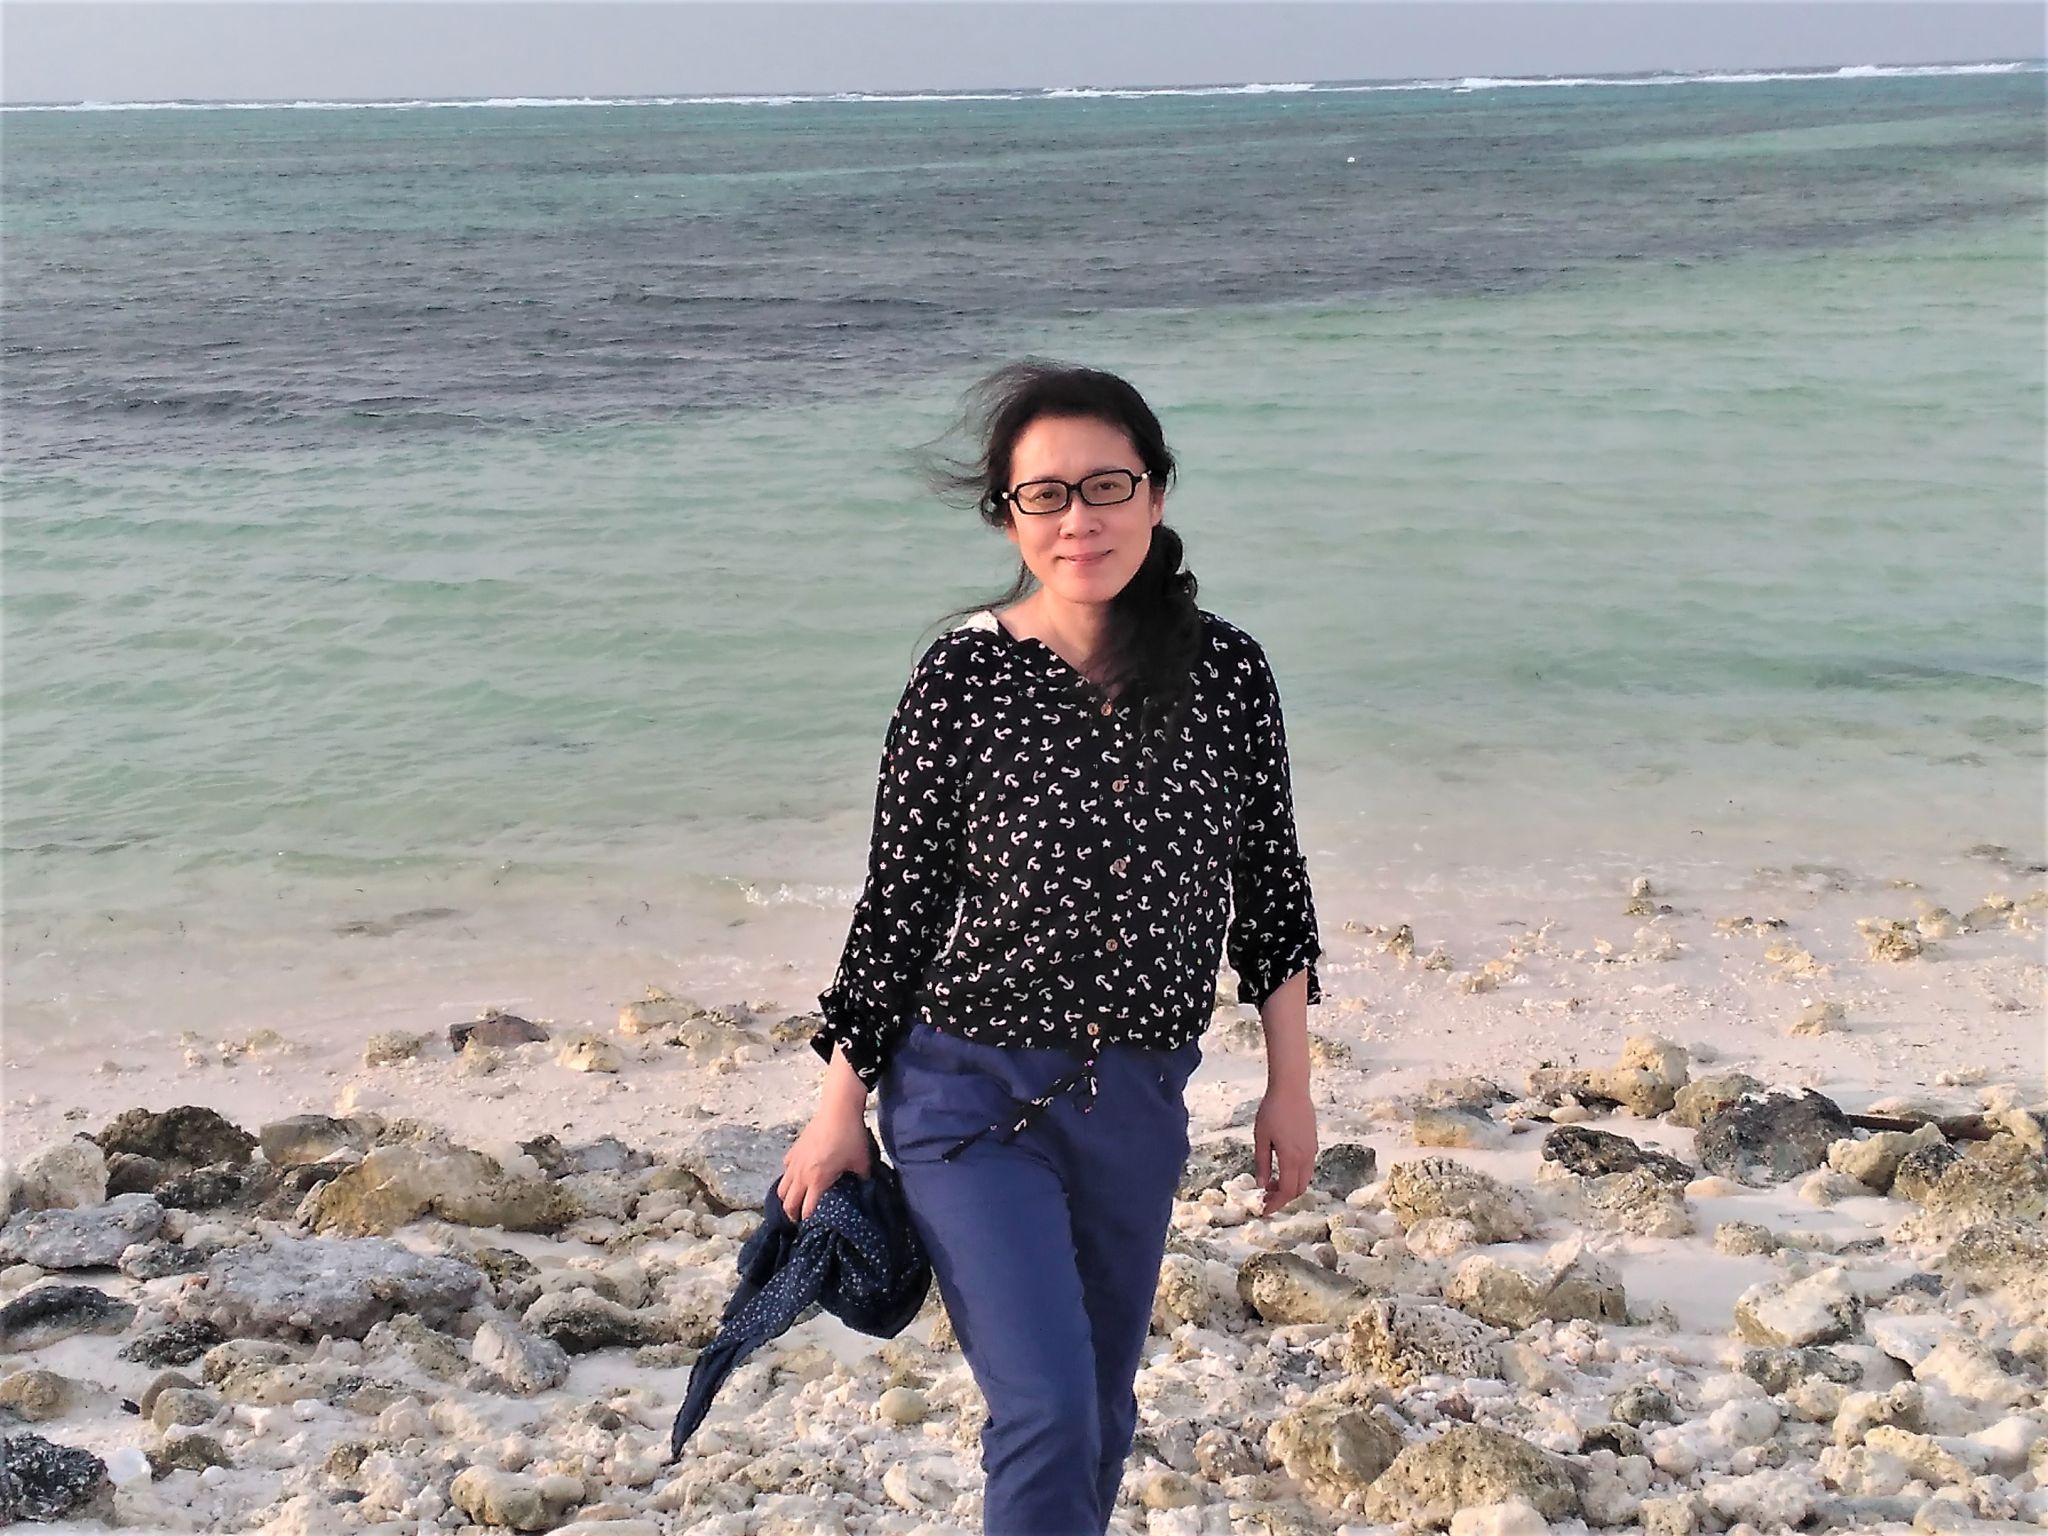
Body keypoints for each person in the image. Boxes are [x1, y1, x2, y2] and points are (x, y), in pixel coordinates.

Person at [776, 360, 1322, 1536]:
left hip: (1138, 1097)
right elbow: (897, 908)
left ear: (1155, 494)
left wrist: (1289, 1086)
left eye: (1106, 486)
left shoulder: (1226, 673)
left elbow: (1270, 891)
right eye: (1045, 496)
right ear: (1008, 518)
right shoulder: (960, 678)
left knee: (1101, 1414)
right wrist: (836, 1108)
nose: (1079, 519)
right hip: (966, 1096)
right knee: (1048, 1411)